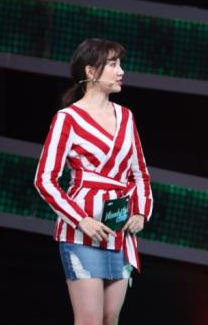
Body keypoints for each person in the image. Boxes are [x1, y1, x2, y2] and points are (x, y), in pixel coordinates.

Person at [34, 38, 153, 325]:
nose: (121, 71)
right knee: (90, 320)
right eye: (113, 64)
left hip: (120, 232)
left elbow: (140, 173)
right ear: (90, 71)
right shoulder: (67, 119)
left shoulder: (126, 117)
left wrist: (140, 212)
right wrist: (81, 220)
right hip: (81, 235)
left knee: (110, 318)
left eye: (120, 64)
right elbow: (44, 179)